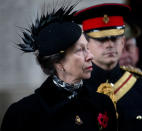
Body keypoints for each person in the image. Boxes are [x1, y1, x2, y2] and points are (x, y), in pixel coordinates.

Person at [0, 1, 117, 131]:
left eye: (88, 48)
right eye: (80, 50)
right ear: (58, 62)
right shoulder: (23, 114)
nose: (91, 56)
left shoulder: (102, 103)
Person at [74, 3, 142, 131]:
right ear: (87, 44)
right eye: (101, 40)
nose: (109, 45)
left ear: (122, 42)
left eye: (114, 38)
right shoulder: (75, 88)